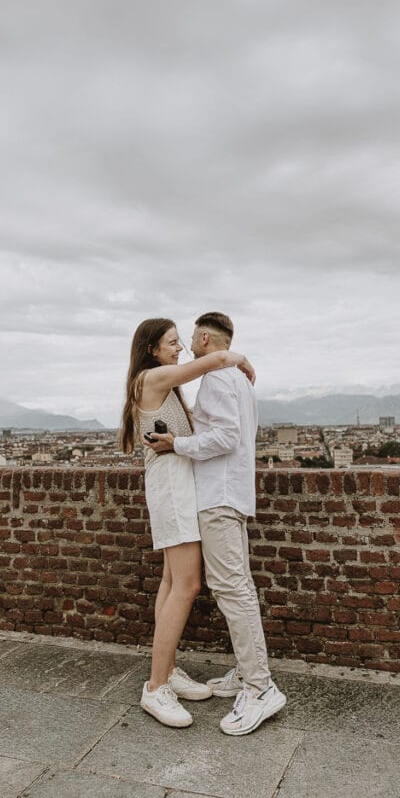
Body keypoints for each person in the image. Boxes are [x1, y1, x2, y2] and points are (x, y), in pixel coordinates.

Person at [147, 311, 286, 736]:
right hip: (228, 493)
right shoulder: (236, 378)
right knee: (235, 585)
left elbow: (225, 437)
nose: (188, 344)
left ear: (206, 338)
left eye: (191, 337)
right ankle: (248, 674)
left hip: (219, 496)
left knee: (231, 588)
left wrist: (177, 444)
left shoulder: (219, 378)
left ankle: (260, 688)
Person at [120, 317, 255, 728]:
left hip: (177, 485)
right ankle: (156, 686)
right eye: (172, 342)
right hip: (172, 488)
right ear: (151, 348)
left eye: (180, 342)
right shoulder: (154, 376)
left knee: (171, 582)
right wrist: (241, 357)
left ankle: (168, 669)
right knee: (189, 584)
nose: (178, 348)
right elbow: (213, 362)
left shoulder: (162, 383)